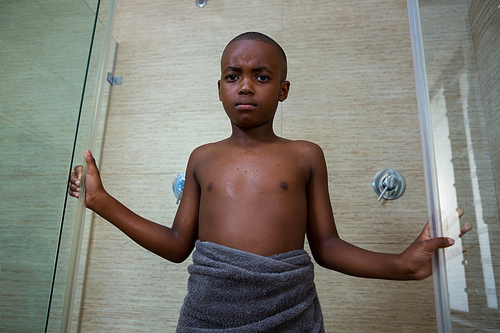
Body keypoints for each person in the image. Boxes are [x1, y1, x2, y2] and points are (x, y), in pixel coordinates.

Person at [68, 32, 472, 332]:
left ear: (283, 90)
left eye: (261, 77)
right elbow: (177, 244)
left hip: (287, 313)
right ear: (220, 88)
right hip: (211, 315)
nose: (245, 85)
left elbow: (327, 247)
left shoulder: (305, 155)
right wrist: (101, 201)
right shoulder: (202, 158)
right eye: (233, 76)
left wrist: (400, 264)